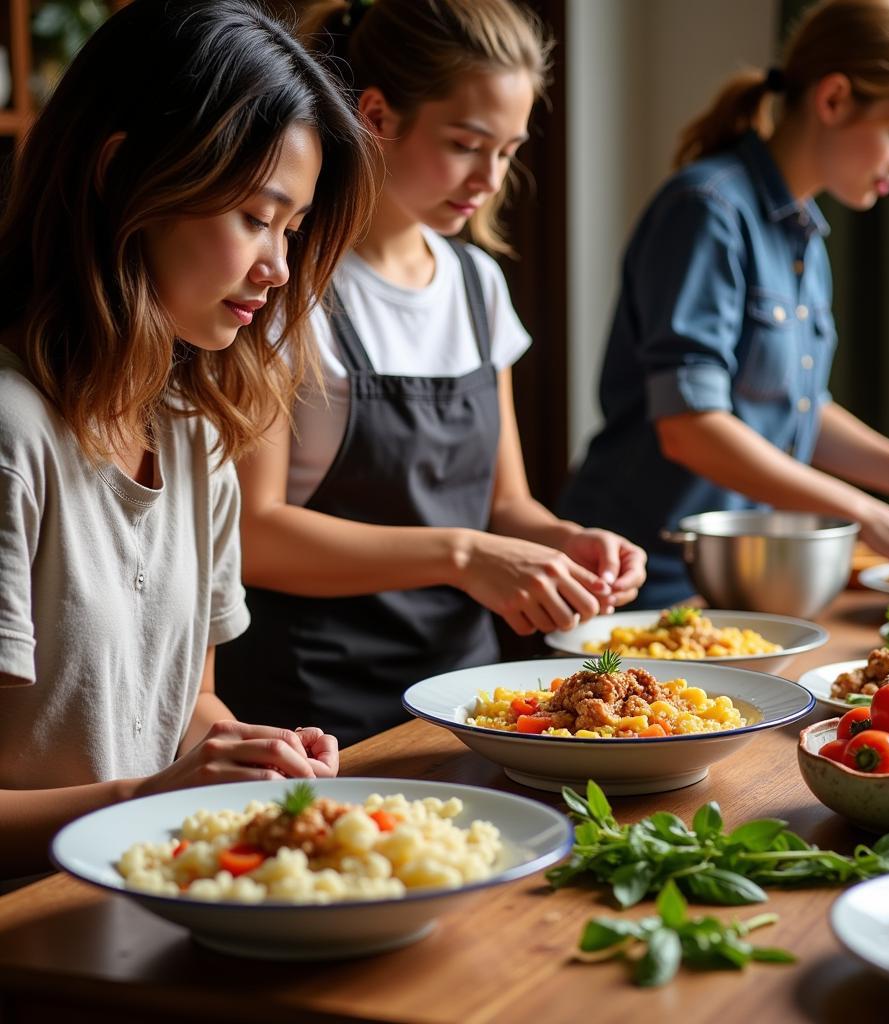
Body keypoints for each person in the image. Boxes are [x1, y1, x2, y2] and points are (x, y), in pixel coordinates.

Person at [0, 0, 375, 881]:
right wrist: (151, 797)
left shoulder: (197, 434)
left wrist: (245, 750)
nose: (279, 268)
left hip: (152, 916)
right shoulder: (14, 436)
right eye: (255, 215)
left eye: (292, 228)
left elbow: (188, 704)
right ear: (124, 174)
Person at [216, 0, 646, 746]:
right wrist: (463, 555)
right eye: (465, 143)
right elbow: (255, 534)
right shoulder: (282, 286)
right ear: (377, 115)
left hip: (466, 698)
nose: (489, 177)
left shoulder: (477, 285)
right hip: (314, 710)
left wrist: (565, 542)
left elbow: (504, 503)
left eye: (508, 151)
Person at [559, 0, 889, 610]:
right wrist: (864, 512)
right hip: (641, 580)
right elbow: (691, 428)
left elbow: (799, 408)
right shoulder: (708, 210)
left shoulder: (802, 232)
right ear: (833, 99)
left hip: (734, 584)